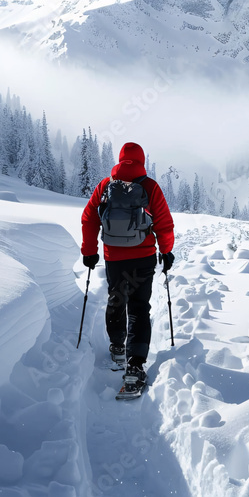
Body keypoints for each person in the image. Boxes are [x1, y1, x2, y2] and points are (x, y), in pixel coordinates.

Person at [81, 142, 175, 394]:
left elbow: (89, 218)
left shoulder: (105, 185)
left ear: (120, 159)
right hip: (143, 257)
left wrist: (89, 251)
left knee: (116, 299)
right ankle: (135, 365)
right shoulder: (150, 186)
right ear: (141, 160)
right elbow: (164, 223)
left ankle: (117, 347)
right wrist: (166, 252)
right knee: (139, 308)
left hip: (114, 258)